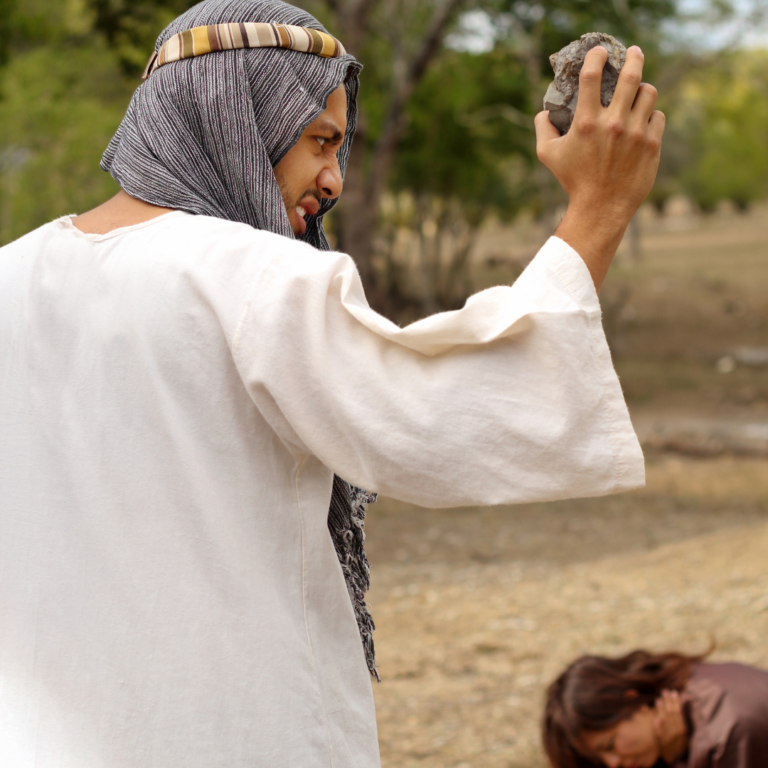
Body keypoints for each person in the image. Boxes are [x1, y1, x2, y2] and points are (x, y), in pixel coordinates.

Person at [0, 0, 664, 764]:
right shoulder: (247, 277)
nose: (333, 177)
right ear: (235, 118)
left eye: (342, 148)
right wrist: (599, 209)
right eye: (320, 140)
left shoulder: (10, 276)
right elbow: (437, 424)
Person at [543, 649, 768, 768]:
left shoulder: (727, 731)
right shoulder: (680, 686)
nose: (612, 763)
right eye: (599, 758)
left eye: (610, 744)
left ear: (633, 702)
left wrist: (679, 759)